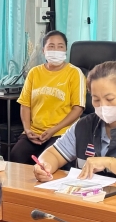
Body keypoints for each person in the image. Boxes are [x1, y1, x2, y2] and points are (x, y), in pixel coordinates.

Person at [12, 31, 86, 164]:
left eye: (60, 46)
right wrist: (27, 130)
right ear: (43, 50)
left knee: (48, 162)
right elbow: (25, 104)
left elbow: (78, 109)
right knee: (16, 155)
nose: (56, 50)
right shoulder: (34, 73)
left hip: (62, 132)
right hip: (34, 132)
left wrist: (53, 130)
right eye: (51, 46)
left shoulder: (74, 73)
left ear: (66, 50)